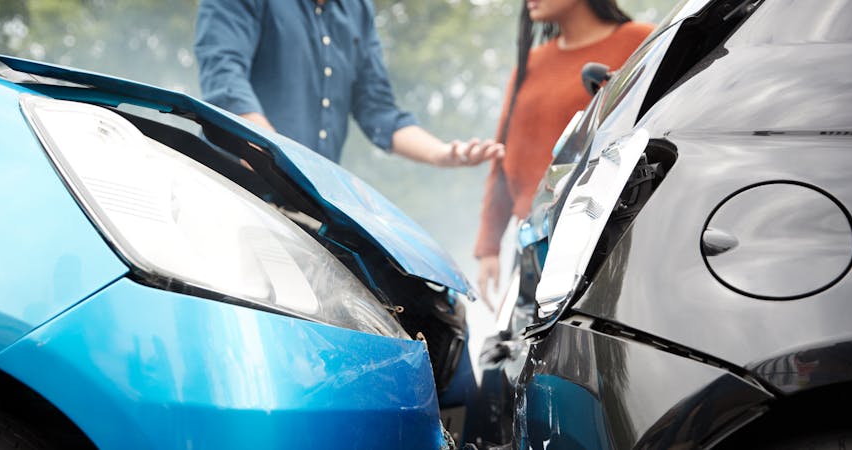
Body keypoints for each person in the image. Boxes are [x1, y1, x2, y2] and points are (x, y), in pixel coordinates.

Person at [474, 0, 654, 307]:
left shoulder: (640, 41)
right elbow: (503, 160)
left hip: (608, 244)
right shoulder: (528, 65)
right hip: (535, 250)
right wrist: (489, 247)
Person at [194, 0, 503, 167]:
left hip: (307, 208)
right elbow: (224, 77)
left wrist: (441, 153)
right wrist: (275, 158)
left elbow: (377, 109)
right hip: (232, 187)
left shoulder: (357, 9)